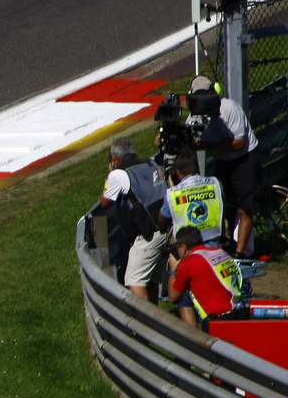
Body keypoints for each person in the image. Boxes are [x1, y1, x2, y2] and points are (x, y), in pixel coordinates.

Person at [190, 74, 261, 257]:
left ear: (213, 92)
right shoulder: (195, 114)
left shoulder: (229, 108)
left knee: (244, 207)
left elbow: (238, 143)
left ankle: (240, 253)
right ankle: (228, 242)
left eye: (205, 94)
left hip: (243, 158)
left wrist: (208, 145)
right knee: (223, 204)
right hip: (222, 160)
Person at [100, 136, 168, 302]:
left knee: (134, 281)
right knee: (151, 281)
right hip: (167, 227)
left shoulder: (119, 174)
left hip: (148, 233)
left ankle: (146, 323)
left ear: (114, 158)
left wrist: (111, 174)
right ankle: (156, 324)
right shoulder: (150, 162)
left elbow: (105, 202)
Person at [168, 225, 247, 328]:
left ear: (183, 248)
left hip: (218, 319)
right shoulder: (218, 252)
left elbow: (174, 298)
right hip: (240, 310)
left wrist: (172, 270)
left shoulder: (188, 263)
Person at [160, 149, 225, 246]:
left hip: (189, 251)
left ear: (177, 172)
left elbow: (162, 219)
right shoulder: (215, 183)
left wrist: (172, 189)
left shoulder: (173, 194)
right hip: (214, 246)